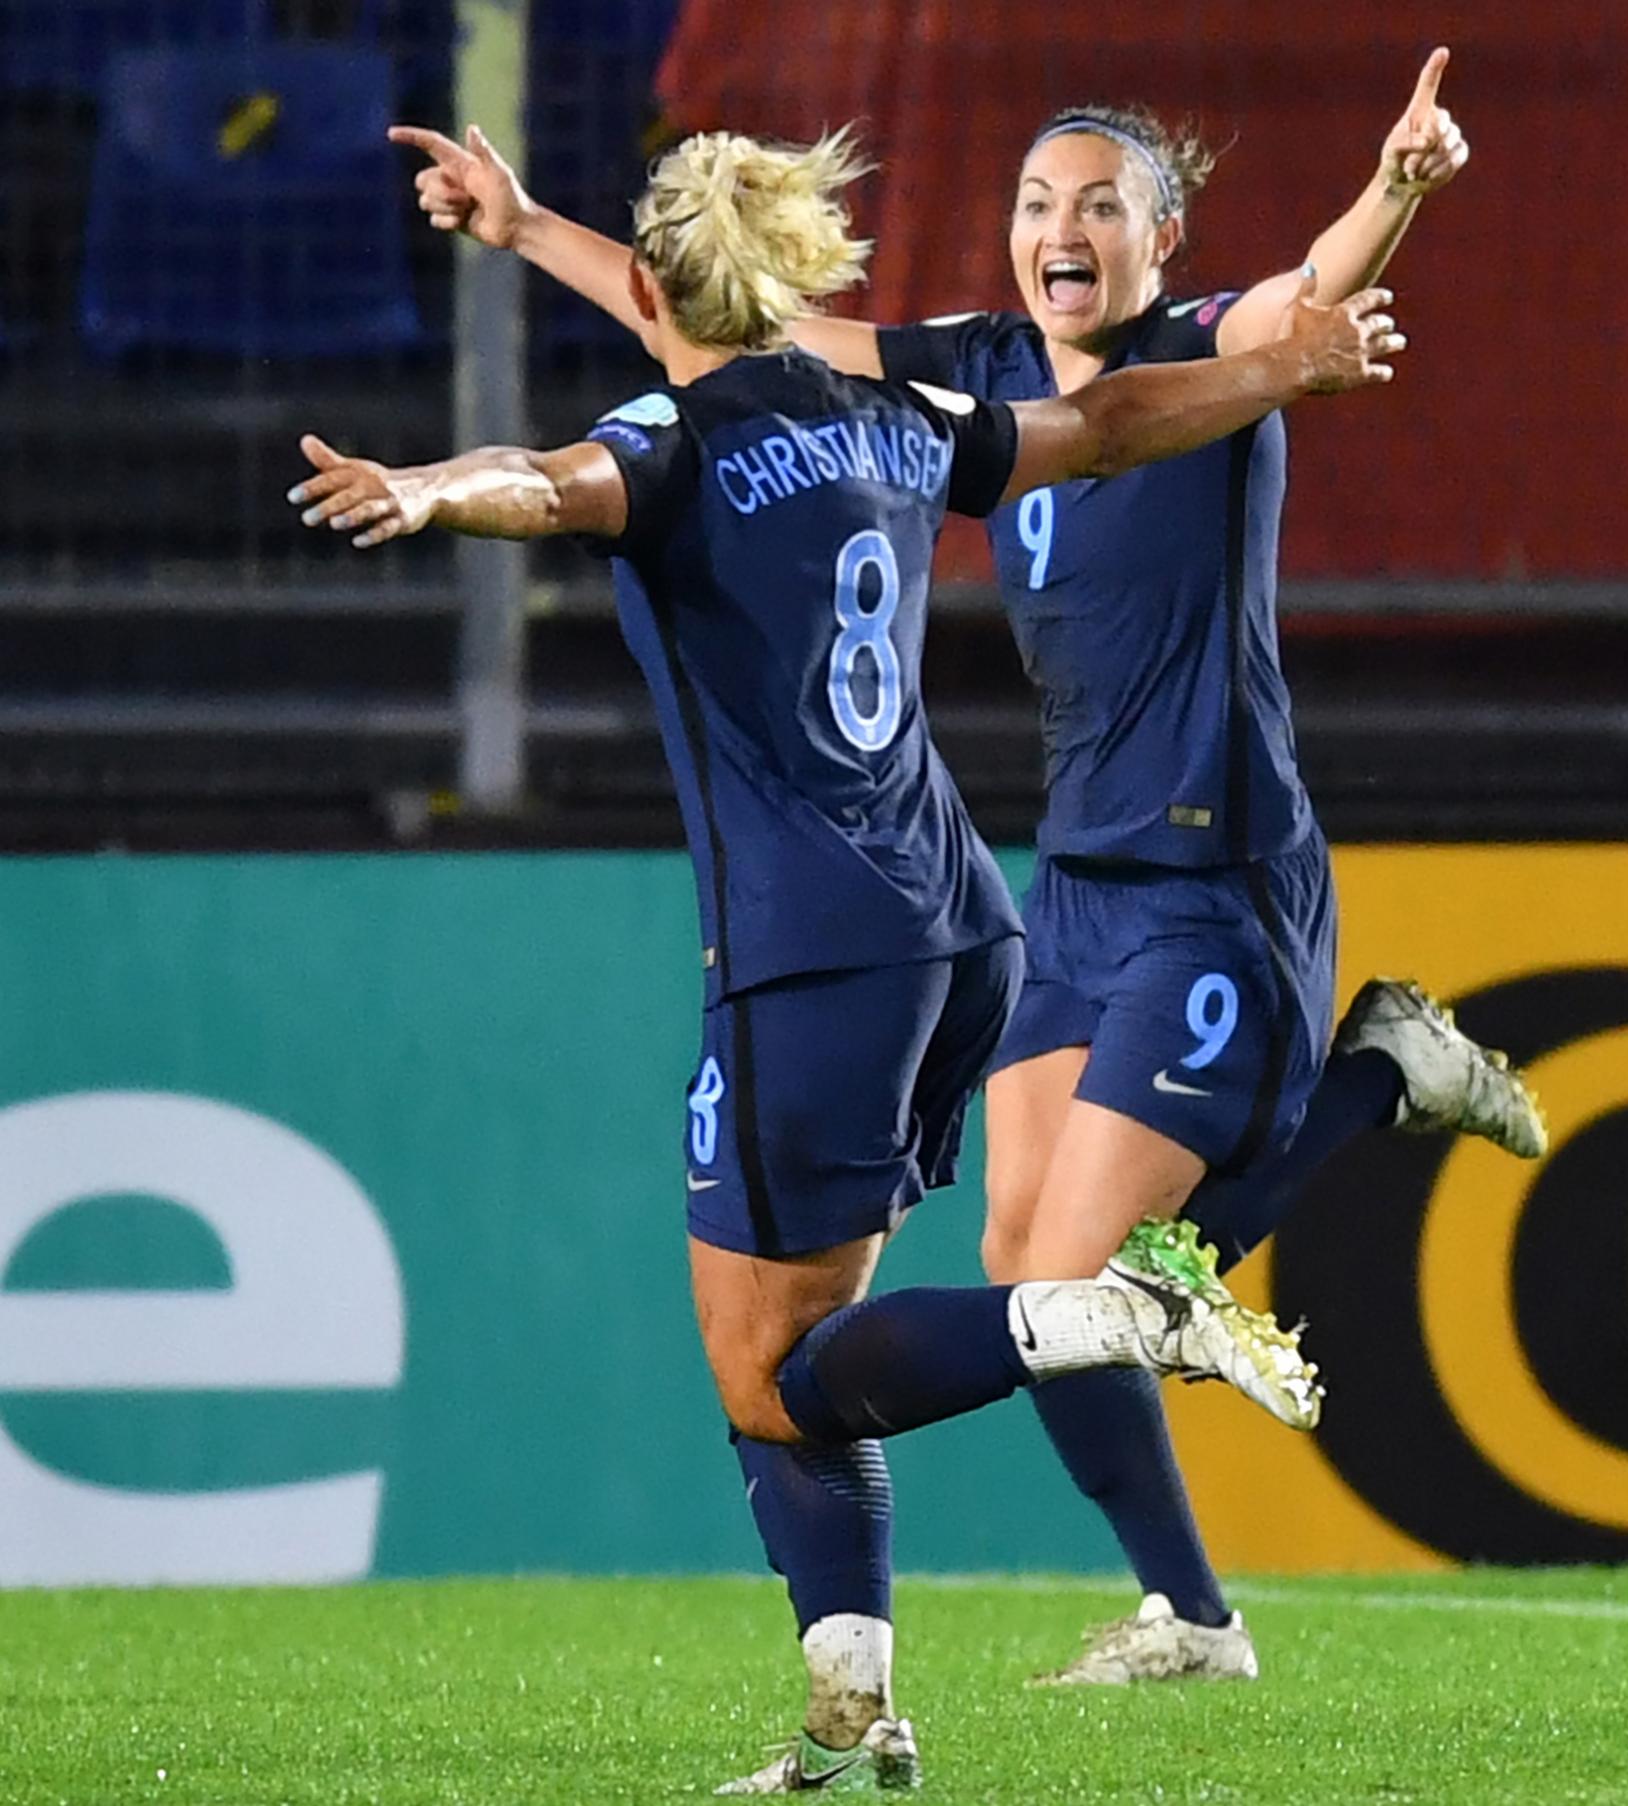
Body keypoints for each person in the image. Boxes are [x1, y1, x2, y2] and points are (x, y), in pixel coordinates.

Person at [394, 47, 1543, 1690]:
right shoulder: (972, 374)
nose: (1058, 228)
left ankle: (1377, 1074)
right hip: (1066, 880)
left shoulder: (1201, 348)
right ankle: (1194, 1620)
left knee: (1085, 1280)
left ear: (1160, 237)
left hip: (1218, 875)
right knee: (1026, 1265)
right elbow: (737, 325)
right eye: (1034, 201)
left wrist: (1401, 188)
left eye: (1100, 206)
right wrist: (524, 229)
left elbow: (1312, 295)